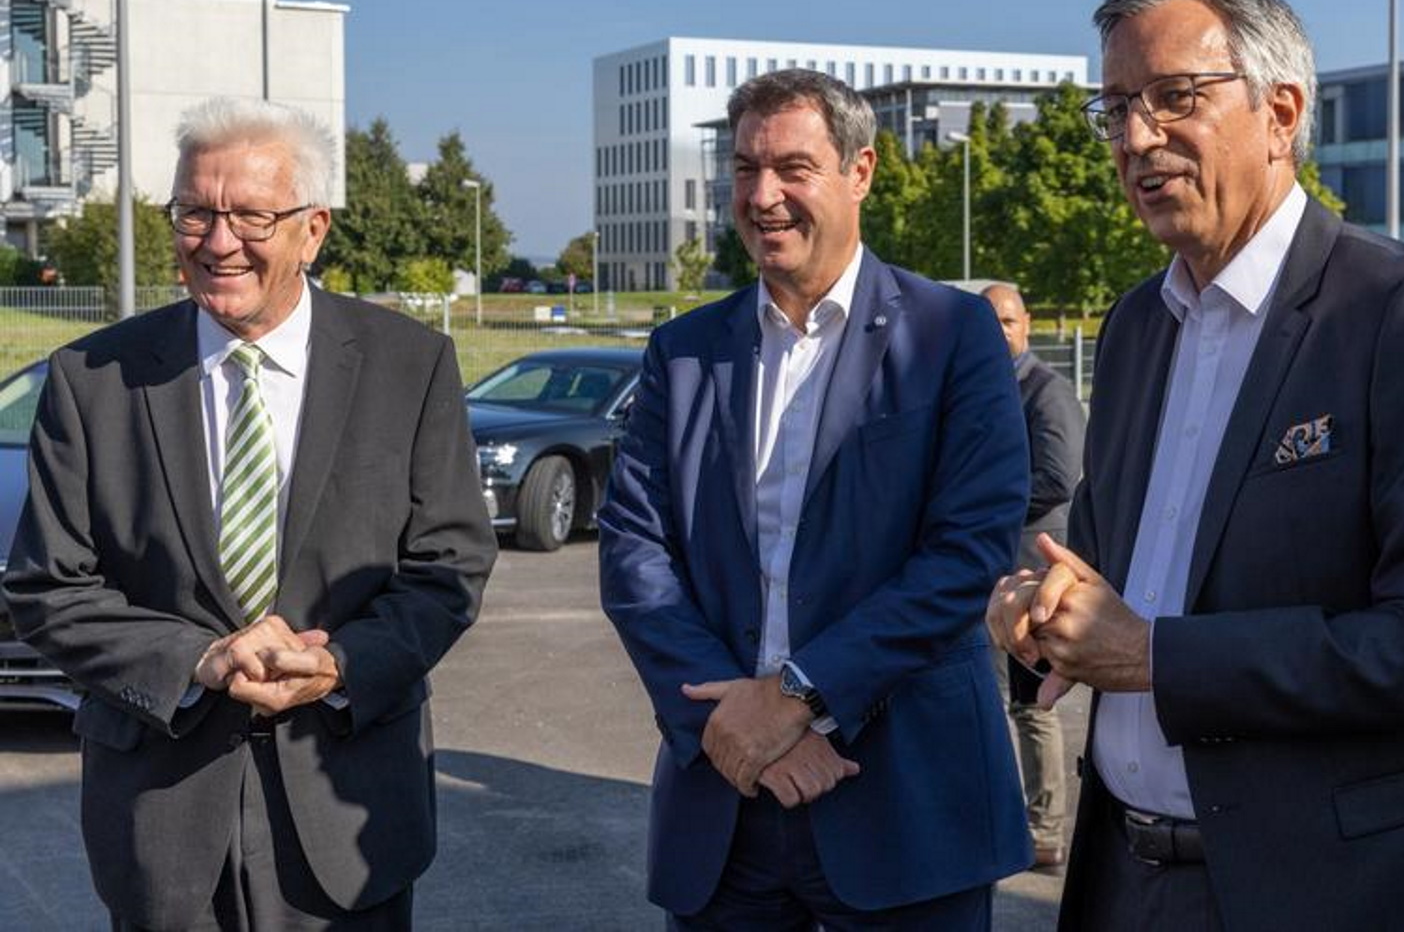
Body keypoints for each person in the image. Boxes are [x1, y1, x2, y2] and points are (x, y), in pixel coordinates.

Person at [989, 0, 1404, 931]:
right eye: (1115, 108)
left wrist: (1157, 658)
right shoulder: (1138, 324)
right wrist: (1037, 611)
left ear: (1280, 113)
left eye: (1175, 97)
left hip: (1328, 896)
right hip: (1122, 882)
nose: (1136, 137)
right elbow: (1102, 565)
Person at [2, 97, 497, 930]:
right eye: (194, 212)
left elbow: (447, 568)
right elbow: (49, 587)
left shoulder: (409, 364)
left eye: (251, 216)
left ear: (313, 229)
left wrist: (341, 662)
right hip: (158, 818)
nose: (218, 242)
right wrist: (200, 659)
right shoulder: (92, 379)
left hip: (348, 814)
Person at [599, 68, 1032, 929]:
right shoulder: (683, 351)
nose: (764, 197)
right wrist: (739, 732)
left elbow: (968, 551)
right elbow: (633, 552)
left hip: (905, 803)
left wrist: (795, 699)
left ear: (860, 172)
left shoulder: (952, 336)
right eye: (746, 170)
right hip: (726, 806)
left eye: (793, 169)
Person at [981, 283, 1084, 870]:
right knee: (1001, 700)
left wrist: (979, 507)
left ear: (1026, 326)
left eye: (1007, 320)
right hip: (994, 571)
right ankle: (1010, 822)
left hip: (1032, 569)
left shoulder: (1046, 390)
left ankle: (1044, 832)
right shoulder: (986, 389)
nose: (998, 331)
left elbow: (1059, 478)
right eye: (988, 321)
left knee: (1032, 704)